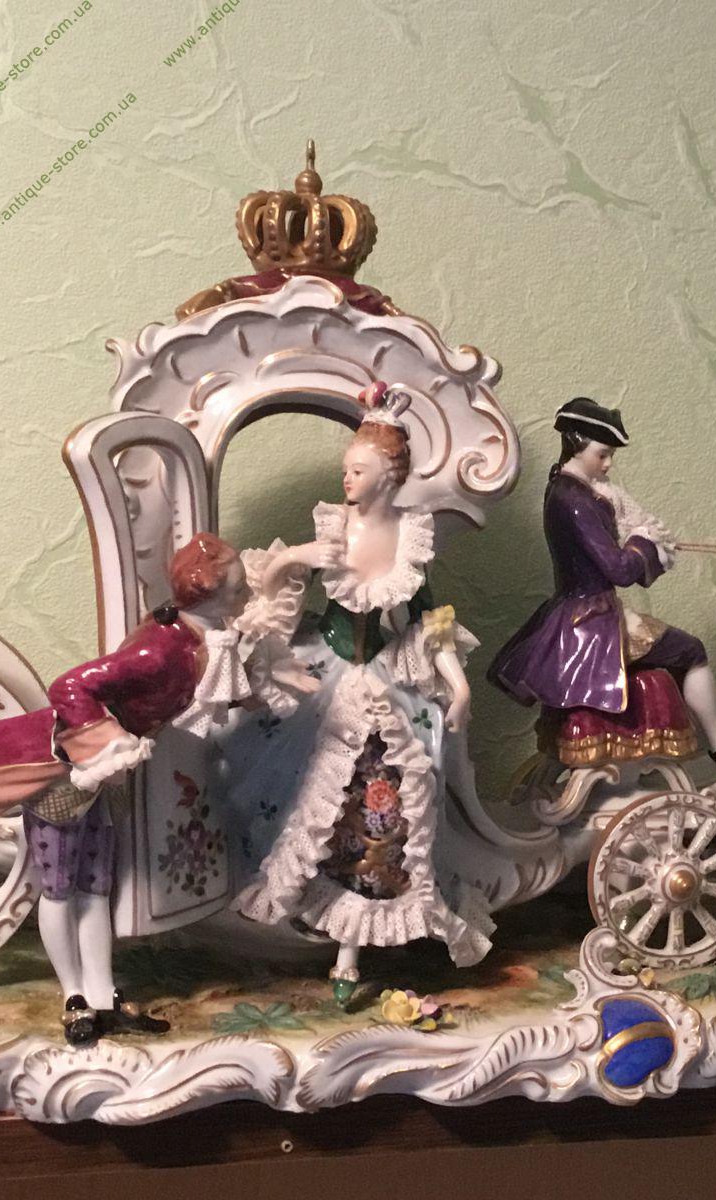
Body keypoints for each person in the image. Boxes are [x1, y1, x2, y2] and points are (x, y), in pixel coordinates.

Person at [0, 531, 314, 1045]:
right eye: (236, 588)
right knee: (60, 888)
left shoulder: (199, 637)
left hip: (103, 783)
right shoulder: (159, 650)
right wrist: (106, 745)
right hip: (63, 775)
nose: (244, 595)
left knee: (95, 888)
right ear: (208, 592)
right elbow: (69, 687)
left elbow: (206, 693)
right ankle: (73, 997)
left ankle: (102, 994)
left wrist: (267, 685)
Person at [220, 382, 492, 1003]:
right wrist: (298, 556)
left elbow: (429, 620)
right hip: (329, 673)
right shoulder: (333, 528)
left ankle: (354, 944)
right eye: (346, 469)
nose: (347, 479)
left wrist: (457, 685)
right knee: (300, 789)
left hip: (386, 680)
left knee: (387, 807)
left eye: (359, 471)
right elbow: (270, 585)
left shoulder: (410, 537)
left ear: (389, 477)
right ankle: (293, 915)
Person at [488, 397, 716, 784]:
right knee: (692, 650)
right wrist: (642, 541)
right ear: (577, 443)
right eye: (602, 454)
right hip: (593, 621)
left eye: (610, 456)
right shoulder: (575, 501)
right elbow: (619, 570)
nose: (608, 464)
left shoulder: (571, 490)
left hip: (584, 612)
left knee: (683, 650)